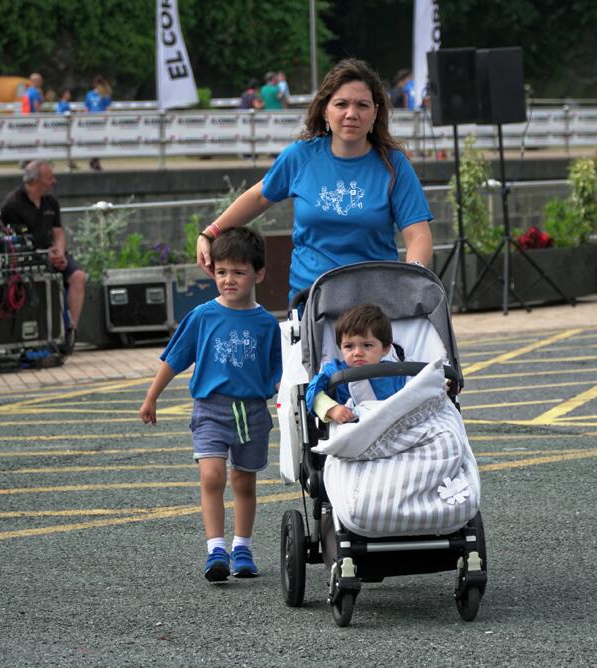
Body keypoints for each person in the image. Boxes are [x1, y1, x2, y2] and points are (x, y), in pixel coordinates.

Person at [196, 58, 434, 300]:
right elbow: (258, 197)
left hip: (373, 310)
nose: (351, 114)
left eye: (362, 105)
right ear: (325, 110)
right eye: (341, 104)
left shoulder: (394, 165)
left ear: (375, 112)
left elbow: (418, 234)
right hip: (311, 304)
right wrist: (209, 234)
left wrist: (411, 280)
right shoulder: (300, 156)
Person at [139, 227, 282, 582]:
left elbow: (281, 373)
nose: (228, 280)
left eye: (238, 272)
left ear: (259, 274)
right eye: (221, 272)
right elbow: (174, 359)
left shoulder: (267, 324)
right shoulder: (203, 316)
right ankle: (216, 549)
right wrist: (152, 396)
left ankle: (243, 546)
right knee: (212, 476)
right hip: (210, 410)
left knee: (244, 483)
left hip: (252, 412)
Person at [0, 160, 86, 353]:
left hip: (54, 253)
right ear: (35, 180)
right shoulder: (12, 204)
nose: (54, 181)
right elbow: (15, 243)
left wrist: (59, 252)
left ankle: (71, 329)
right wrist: (46, 254)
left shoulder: (51, 202)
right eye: (49, 178)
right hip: (30, 258)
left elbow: (58, 233)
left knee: (78, 276)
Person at [305, 303, 406, 424]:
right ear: (340, 348)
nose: (357, 353)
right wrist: (332, 409)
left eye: (367, 345)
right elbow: (312, 393)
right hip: (352, 432)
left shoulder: (396, 372)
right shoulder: (334, 371)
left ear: (385, 349)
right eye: (349, 346)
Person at [84, 76, 112, 170]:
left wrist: (107, 119)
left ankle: (96, 160)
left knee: (100, 141)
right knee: (93, 140)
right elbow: (87, 108)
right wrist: (85, 119)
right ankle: (93, 159)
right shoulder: (89, 94)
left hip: (101, 121)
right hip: (91, 120)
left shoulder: (105, 95)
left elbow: (107, 108)